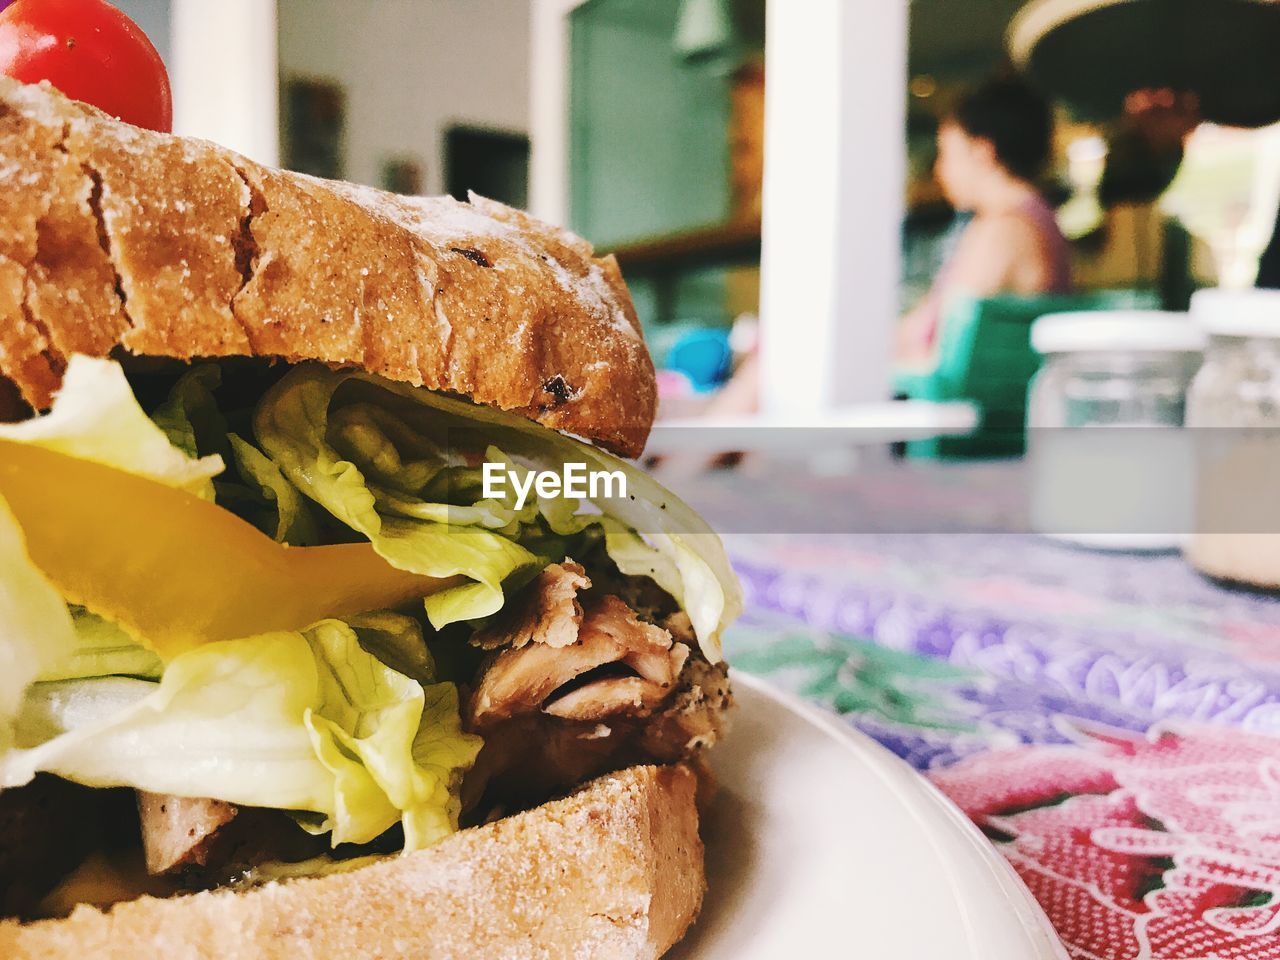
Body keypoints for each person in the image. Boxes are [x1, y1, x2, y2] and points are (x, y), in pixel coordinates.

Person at [896, 76, 1072, 367]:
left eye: (946, 155)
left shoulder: (1005, 230)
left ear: (982, 152)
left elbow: (947, 345)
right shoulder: (1034, 219)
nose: (940, 171)